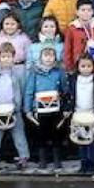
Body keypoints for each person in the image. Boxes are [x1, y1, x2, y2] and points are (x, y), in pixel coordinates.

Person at [23, 43, 68, 174]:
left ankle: (57, 160)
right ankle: (42, 160)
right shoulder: (34, 73)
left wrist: (65, 106)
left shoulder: (59, 72)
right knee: (41, 135)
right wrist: (28, 109)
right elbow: (29, 92)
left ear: (55, 58)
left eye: (51, 56)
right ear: (40, 57)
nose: (49, 58)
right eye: (46, 56)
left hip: (55, 109)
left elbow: (64, 90)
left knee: (56, 134)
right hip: (39, 110)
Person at [66, 52, 94, 176]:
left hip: (93, 115)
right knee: (81, 140)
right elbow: (69, 96)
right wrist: (68, 109)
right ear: (78, 67)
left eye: (89, 66)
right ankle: (83, 163)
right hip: (79, 114)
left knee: (93, 141)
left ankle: (92, 164)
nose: (86, 69)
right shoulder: (73, 80)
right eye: (83, 66)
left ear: (93, 66)